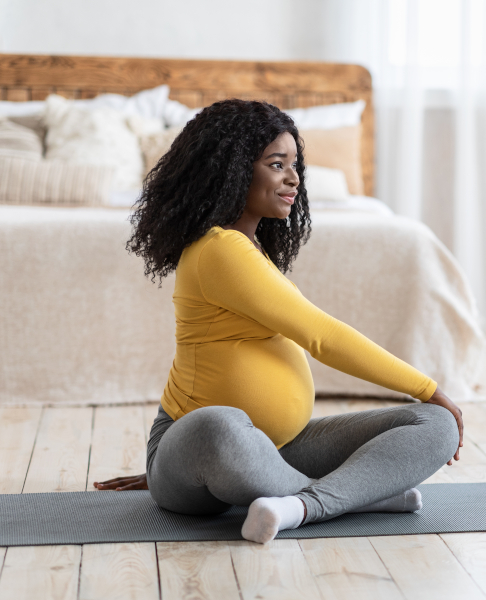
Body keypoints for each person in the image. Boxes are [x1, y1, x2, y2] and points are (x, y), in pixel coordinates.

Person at [93, 99, 463, 544]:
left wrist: (430, 405)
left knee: (434, 425)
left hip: (282, 447)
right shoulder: (218, 250)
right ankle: (352, 497)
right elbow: (321, 335)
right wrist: (429, 387)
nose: (294, 179)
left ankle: (301, 504)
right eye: (276, 164)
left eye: (295, 165)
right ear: (232, 170)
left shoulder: (251, 247)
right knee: (220, 425)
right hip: (203, 443)